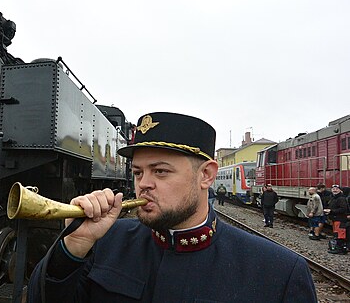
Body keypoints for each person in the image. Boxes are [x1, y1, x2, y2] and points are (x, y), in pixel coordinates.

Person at [27, 112, 316, 302]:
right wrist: (72, 248)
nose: (144, 184)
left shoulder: (278, 271)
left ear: (206, 175)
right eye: (138, 173)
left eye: (161, 171)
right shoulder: (105, 242)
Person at [324, 184, 349, 254]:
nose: (334, 190)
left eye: (336, 189)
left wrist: (331, 211)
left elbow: (343, 209)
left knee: (340, 234)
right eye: (333, 189)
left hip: (340, 219)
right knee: (337, 234)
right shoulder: (334, 198)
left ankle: (341, 249)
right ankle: (338, 248)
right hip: (335, 219)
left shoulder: (341, 198)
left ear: (340, 190)